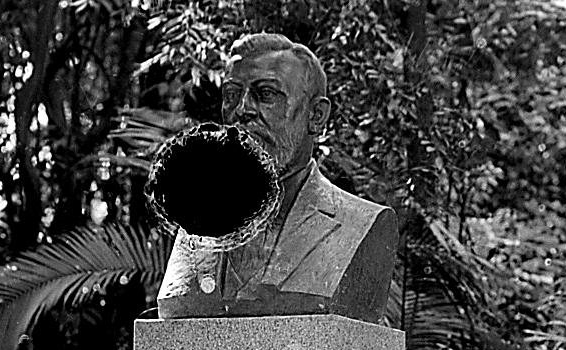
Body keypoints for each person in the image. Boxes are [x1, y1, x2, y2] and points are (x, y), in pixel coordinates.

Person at [156, 32, 398, 324]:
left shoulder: (361, 225)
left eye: (266, 94)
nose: (242, 110)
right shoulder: (196, 225)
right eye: (232, 95)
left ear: (316, 116)